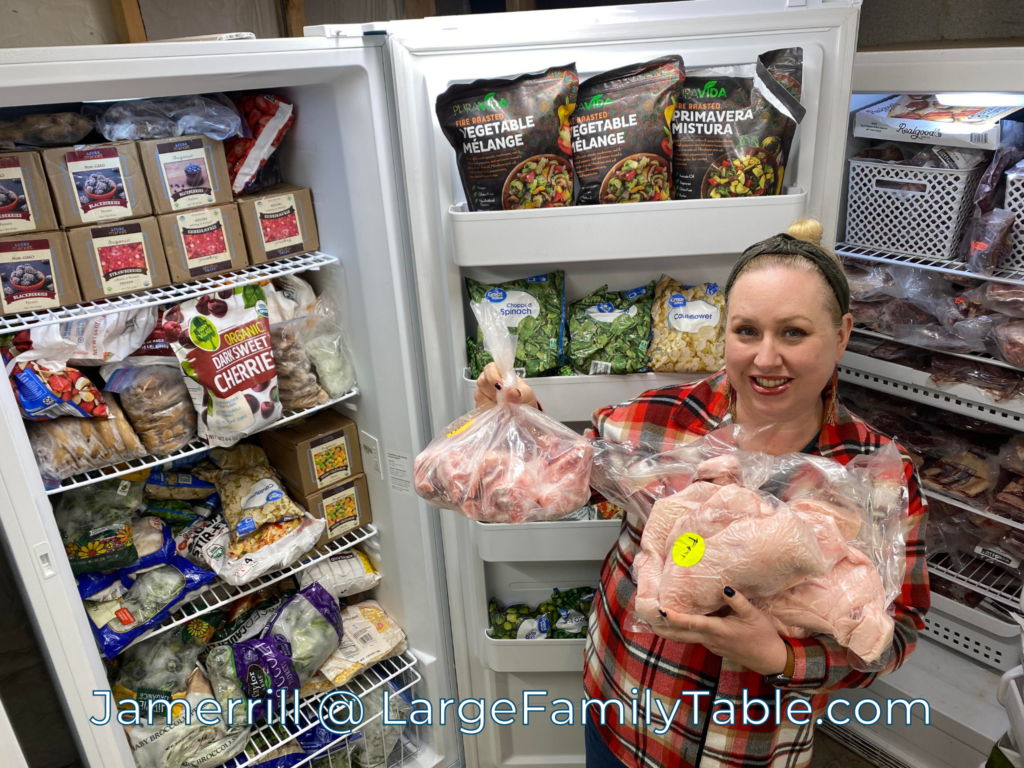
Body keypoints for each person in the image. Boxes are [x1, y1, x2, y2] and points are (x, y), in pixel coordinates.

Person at [474, 219, 929, 768]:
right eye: (746, 331)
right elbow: (563, 483)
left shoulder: (877, 473)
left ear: (842, 335)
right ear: (725, 333)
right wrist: (518, 430)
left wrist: (784, 658)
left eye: (793, 333)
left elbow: (898, 631)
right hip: (627, 712)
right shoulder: (655, 421)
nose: (765, 359)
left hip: (752, 746)